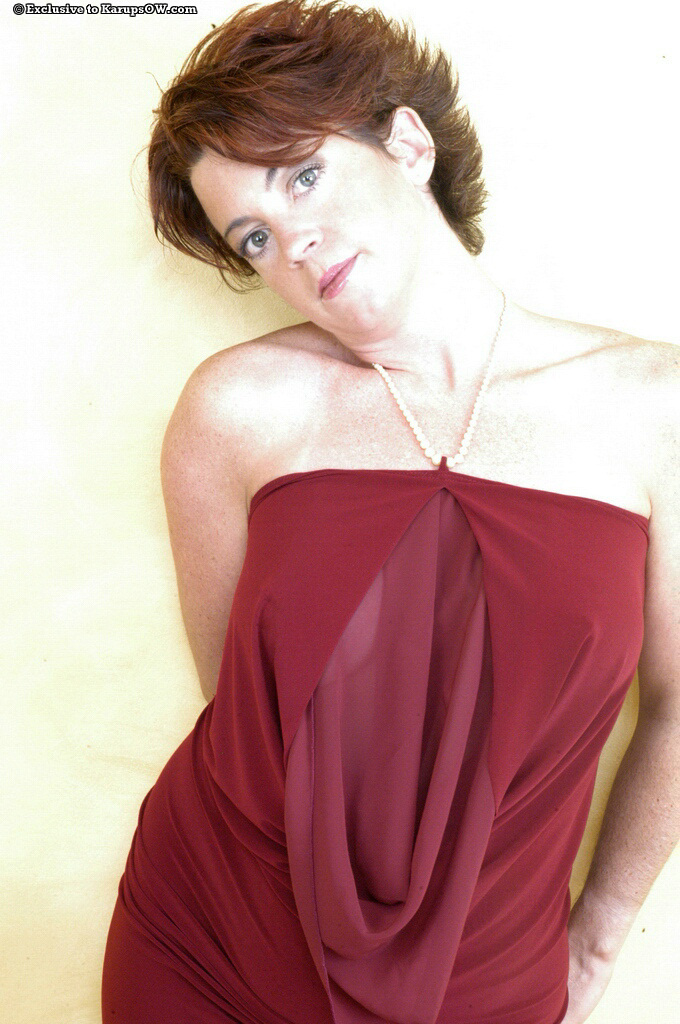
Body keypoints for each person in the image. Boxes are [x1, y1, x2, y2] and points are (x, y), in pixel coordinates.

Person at [101, 2, 680, 1023]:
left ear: (407, 144)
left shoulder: (649, 406)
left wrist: (595, 937)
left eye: (303, 175)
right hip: (214, 937)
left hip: (486, 970)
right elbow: (244, 706)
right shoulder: (233, 409)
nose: (292, 240)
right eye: (252, 235)